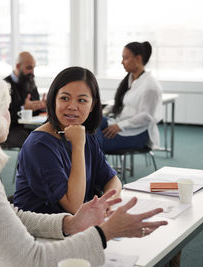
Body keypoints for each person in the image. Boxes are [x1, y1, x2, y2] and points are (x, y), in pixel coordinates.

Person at [0, 75, 167, 267]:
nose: (9, 116)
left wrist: (70, 223)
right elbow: (32, 260)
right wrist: (106, 233)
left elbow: (9, 216)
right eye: (5, 109)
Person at [13, 67, 122, 215]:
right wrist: (78, 146)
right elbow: (73, 206)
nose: (72, 106)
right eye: (64, 98)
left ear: (92, 105)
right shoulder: (39, 144)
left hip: (75, 227)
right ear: (53, 100)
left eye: (82, 100)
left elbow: (113, 180)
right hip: (43, 232)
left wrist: (107, 201)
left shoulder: (86, 135)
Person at [96, 41, 163, 153]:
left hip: (138, 133)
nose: (122, 62)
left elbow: (146, 117)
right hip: (121, 125)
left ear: (138, 59)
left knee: (91, 140)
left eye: (125, 58)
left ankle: (94, 167)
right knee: (92, 120)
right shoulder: (131, 80)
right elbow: (124, 106)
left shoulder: (150, 86)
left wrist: (120, 125)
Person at [3, 51, 46, 147]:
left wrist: (42, 107)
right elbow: (2, 116)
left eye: (33, 68)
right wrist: (23, 109)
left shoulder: (30, 82)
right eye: (29, 68)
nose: (32, 72)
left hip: (29, 128)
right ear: (18, 67)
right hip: (12, 129)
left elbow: (35, 112)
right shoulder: (4, 85)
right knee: (32, 141)